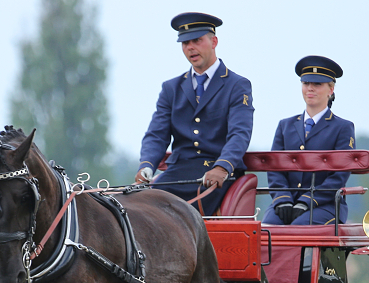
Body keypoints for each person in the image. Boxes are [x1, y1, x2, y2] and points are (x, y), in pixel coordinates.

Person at [135, 12, 254, 215]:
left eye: (197, 41)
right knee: (142, 207)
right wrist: (146, 165)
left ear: (214, 41)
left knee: (182, 214)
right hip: (178, 171)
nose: (190, 47)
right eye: (185, 43)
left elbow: (239, 133)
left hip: (215, 172)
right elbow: (157, 134)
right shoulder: (171, 88)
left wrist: (223, 167)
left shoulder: (237, 85)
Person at [262, 55, 356, 225]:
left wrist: (307, 200)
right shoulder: (285, 126)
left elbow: (339, 175)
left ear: (331, 89)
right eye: (306, 83)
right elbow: (274, 168)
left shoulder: (343, 128)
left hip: (326, 205)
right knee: (265, 231)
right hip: (287, 202)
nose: (310, 89)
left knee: (299, 229)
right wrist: (282, 199)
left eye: (317, 84)